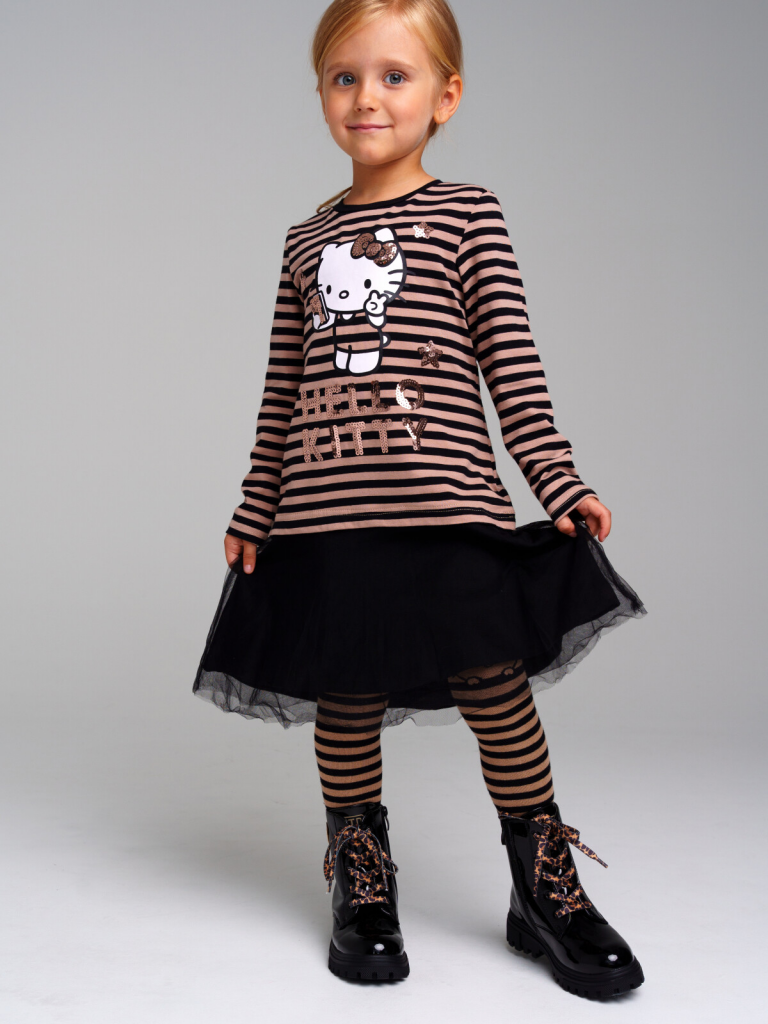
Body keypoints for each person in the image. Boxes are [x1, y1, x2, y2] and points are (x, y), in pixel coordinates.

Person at [192, 0, 647, 998]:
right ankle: (362, 880)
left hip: (448, 509)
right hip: (328, 519)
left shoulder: (468, 215)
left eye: (395, 76)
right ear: (321, 92)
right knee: (347, 692)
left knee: (493, 683)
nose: (367, 97)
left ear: (446, 96)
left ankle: (544, 884)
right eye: (344, 76)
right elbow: (281, 391)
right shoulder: (304, 241)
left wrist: (558, 478)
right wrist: (256, 502)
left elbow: (512, 366)